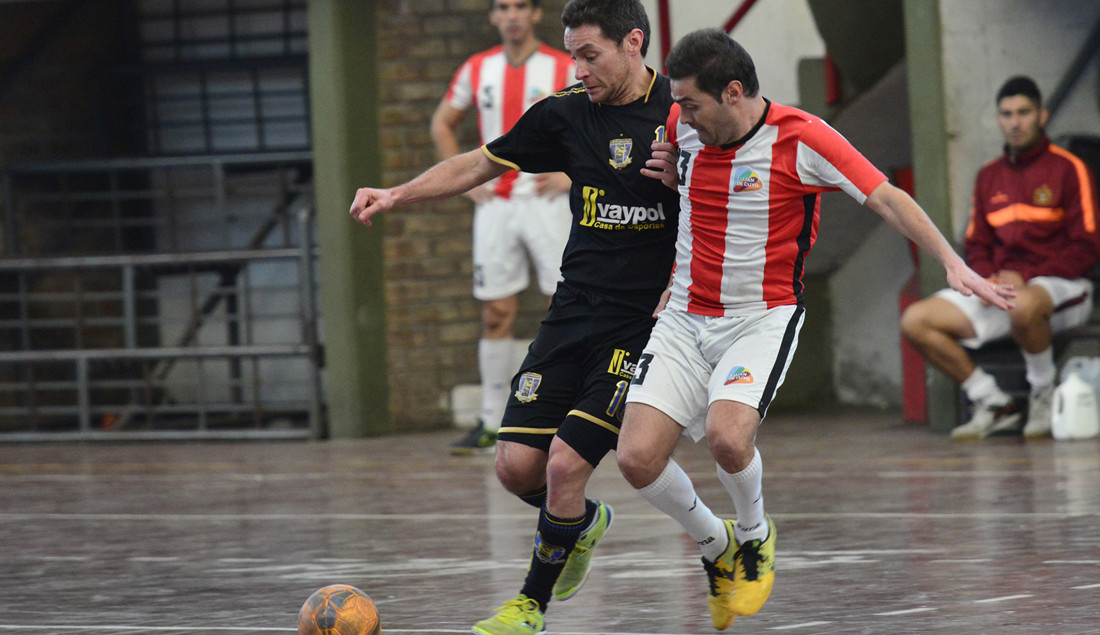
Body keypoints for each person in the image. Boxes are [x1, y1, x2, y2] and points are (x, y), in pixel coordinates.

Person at [614, 29, 1016, 631]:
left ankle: (753, 536)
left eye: (692, 103)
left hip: (760, 318)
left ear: (732, 92)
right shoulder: (682, 126)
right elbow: (691, 185)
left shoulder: (802, 138)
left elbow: (887, 198)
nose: (681, 114)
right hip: (683, 316)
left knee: (728, 436)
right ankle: (714, 543)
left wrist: (954, 264)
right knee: (636, 459)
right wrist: (674, 176)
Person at [350, 1, 679, 633]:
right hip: (572, 311)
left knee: (562, 465)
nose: (578, 68)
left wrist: (683, 180)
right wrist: (396, 193)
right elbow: (478, 161)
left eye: (590, 55)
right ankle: (580, 523)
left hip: (641, 323)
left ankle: (529, 604)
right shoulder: (564, 113)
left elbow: (732, 189)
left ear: (633, 43)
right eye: (574, 55)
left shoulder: (678, 116)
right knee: (515, 468)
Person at [901, 75, 1099, 440]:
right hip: (1001, 288)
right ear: (998, 120)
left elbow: (1087, 245)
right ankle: (993, 401)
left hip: (1060, 286)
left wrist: (1028, 277)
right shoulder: (989, 176)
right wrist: (989, 277)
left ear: (1042, 116)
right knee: (916, 319)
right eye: (1006, 114)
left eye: (1023, 112)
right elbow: (976, 245)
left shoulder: (1070, 169)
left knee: (1024, 304)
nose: (1014, 121)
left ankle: (1042, 393)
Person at [431, 0, 576, 455]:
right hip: (495, 205)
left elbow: (593, 123)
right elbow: (442, 123)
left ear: (534, 14)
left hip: (545, 202)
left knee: (564, 303)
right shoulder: (477, 68)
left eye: (520, 6)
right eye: (502, 7)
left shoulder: (562, 66)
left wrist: (573, 173)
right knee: (496, 312)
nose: (511, 15)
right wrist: (466, 186)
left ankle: (565, 415)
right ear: (493, 17)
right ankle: (491, 420)